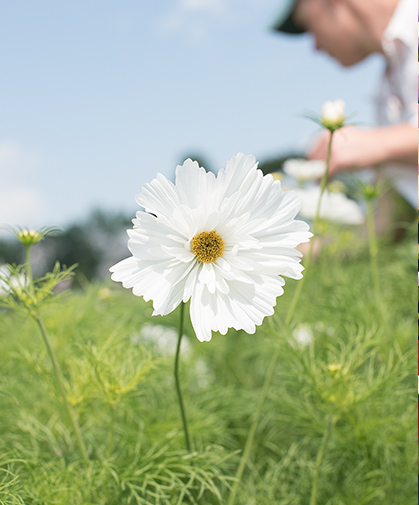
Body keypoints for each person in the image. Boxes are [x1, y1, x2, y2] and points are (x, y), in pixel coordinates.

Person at [273, 0, 418, 209]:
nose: (315, 47)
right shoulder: (388, 91)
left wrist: (378, 144)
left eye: (309, 26)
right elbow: (391, 215)